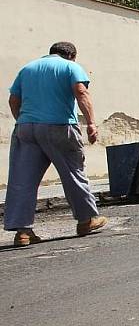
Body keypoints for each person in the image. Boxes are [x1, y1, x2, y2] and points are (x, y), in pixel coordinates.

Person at [5, 41, 107, 246]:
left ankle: (23, 232)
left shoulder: (27, 69)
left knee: (22, 180)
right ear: (72, 56)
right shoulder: (70, 67)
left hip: (26, 127)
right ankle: (86, 220)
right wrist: (91, 123)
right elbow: (81, 92)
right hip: (59, 127)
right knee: (72, 173)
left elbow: (13, 100)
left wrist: (23, 120)